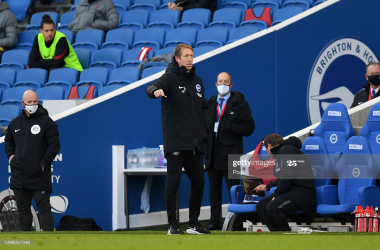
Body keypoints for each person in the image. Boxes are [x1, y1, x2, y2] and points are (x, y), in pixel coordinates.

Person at [146, 44, 210, 235]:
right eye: (186, 56)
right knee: (173, 183)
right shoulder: (170, 78)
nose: (190, 59)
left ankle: (193, 224)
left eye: (192, 55)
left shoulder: (197, 81)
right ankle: (173, 225)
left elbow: (204, 107)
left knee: (199, 181)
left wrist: (205, 126)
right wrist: (155, 92)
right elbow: (152, 87)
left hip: (195, 143)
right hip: (176, 141)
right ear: (177, 59)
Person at [205, 72, 255, 230]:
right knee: (214, 192)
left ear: (231, 85)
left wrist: (228, 127)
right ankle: (214, 222)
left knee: (234, 190)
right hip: (212, 154)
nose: (223, 84)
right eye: (220, 81)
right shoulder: (210, 102)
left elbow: (249, 128)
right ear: (215, 84)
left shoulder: (239, 103)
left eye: (226, 82)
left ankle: (238, 223)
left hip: (232, 155)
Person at [5, 90, 60, 231]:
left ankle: (48, 243)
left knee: (44, 208)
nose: (33, 104)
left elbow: (54, 145)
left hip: (39, 173)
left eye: (35, 101)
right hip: (19, 175)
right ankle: (26, 242)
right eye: (29, 102)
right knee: (23, 210)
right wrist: (11, 157)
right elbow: (8, 142)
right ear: (22, 103)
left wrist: (43, 162)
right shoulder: (14, 123)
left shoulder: (47, 122)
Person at [254, 134, 315, 231]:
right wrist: (267, 187)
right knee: (261, 206)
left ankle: (286, 236)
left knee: (272, 208)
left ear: (269, 146)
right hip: (291, 192)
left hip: (302, 193)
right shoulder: (284, 151)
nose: (269, 154)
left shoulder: (286, 150)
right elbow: (283, 177)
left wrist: (276, 194)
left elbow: (287, 176)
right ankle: (276, 236)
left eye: (266, 150)